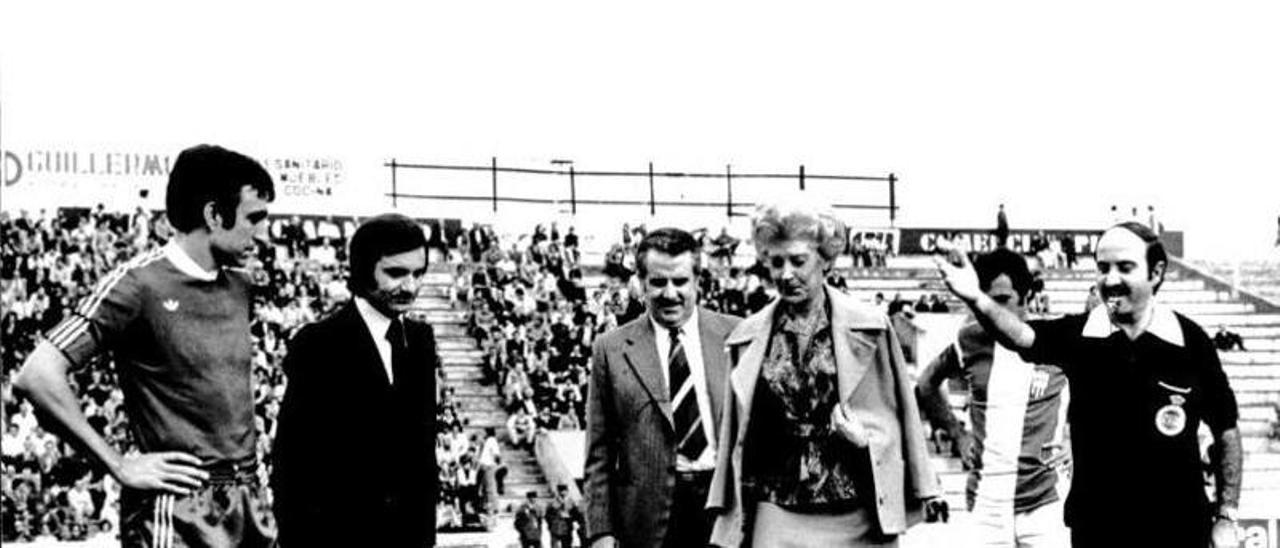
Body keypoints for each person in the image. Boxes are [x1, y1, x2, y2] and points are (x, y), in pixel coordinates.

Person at [13, 144, 277, 547]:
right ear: (213, 214)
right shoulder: (136, 285)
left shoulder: (241, 286)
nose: (264, 233)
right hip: (178, 507)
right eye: (254, 218)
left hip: (248, 498)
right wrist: (118, 464)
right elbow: (37, 375)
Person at [934, 221, 1243, 548]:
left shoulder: (1190, 341)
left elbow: (1226, 431)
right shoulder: (1081, 336)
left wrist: (1226, 517)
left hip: (1178, 529)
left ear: (1155, 273)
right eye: (1102, 268)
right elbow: (1020, 336)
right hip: (1097, 530)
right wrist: (975, 298)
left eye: (1125, 267)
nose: (1110, 280)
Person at [706, 199, 945, 547]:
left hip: (858, 504)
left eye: (798, 261)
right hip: (777, 505)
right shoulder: (748, 336)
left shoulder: (871, 326)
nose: (786, 274)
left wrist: (924, 486)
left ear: (826, 259)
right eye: (776, 262)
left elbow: (903, 411)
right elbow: (736, 433)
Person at [272, 213, 438, 547]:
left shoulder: (420, 339)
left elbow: (421, 455)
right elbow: (293, 465)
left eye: (418, 273)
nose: (410, 286)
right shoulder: (318, 343)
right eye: (396, 273)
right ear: (363, 270)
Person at [584, 227, 741, 548]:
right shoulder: (611, 348)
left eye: (680, 281)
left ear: (698, 281)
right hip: (646, 520)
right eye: (658, 282)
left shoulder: (736, 335)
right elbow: (599, 452)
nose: (670, 293)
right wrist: (600, 531)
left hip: (724, 508)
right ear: (641, 284)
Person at [917, 249, 1070, 547]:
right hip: (987, 500)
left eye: (1001, 300)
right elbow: (926, 384)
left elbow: (1106, 392)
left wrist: (1074, 440)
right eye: (982, 300)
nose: (988, 311)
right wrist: (957, 435)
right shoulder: (968, 339)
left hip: (1045, 502)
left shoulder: (1056, 338)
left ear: (1026, 296)